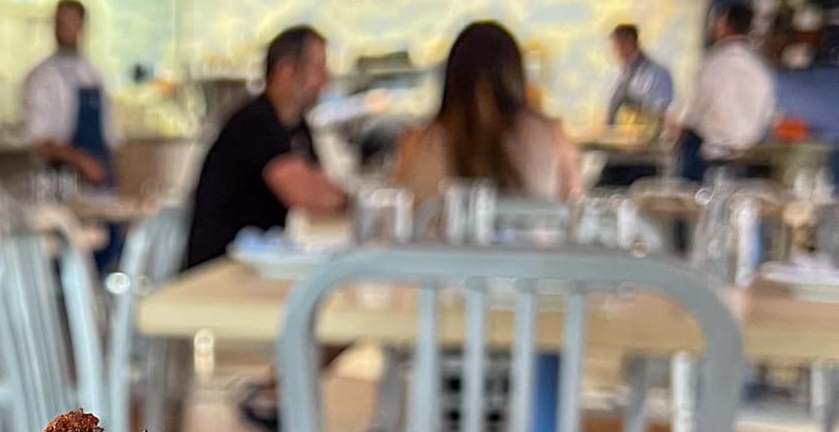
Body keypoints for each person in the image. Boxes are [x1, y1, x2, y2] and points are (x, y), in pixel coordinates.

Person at [185, 25, 347, 271]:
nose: (325, 80)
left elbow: (324, 188)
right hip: (221, 269)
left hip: (258, 265)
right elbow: (313, 197)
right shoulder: (254, 124)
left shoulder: (297, 127)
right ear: (285, 70)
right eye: (318, 68)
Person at [392, 20, 581, 203]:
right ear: (516, 74)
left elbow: (397, 214)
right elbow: (575, 208)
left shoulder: (417, 143)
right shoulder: (551, 136)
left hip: (440, 235)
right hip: (526, 236)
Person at [668, 1, 775, 184]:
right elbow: (768, 116)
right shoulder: (760, 69)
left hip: (705, 163)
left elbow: (685, 114)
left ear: (724, 23)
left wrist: (673, 132)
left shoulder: (710, 64)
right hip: (745, 163)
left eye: (715, 21)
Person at [22, 0, 112, 188]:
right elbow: (41, 141)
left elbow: (110, 135)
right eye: (60, 22)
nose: (65, 28)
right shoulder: (42, 76)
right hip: (60, 178)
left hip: (100, 176)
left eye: (72, 22)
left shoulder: (93, 73)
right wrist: (82, 162)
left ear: (82, 26)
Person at [606, 23, 674, 129]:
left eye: (616, 45)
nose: (614, 50)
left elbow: (663, 113)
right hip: (617, 139)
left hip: (646, 140)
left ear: (629, 42)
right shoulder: (617, 74)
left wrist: (635, 107)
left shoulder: (657, 73)